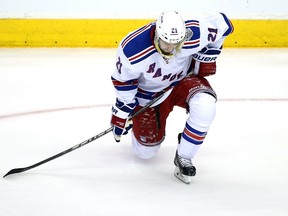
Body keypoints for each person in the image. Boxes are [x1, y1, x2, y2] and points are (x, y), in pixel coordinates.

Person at [110, 11, 233, 184]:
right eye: (166, 42)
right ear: (157, 35)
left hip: (183, 81)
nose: (170, 48)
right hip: (149, 96)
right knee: (146, 153)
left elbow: (224, 24)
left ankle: (184, 156)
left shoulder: (194, 33)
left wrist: (206, 57)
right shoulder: (133, 48)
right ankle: (142, 136)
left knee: (206, 106)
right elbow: (123, 81)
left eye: (176, 43)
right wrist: (122, 112)